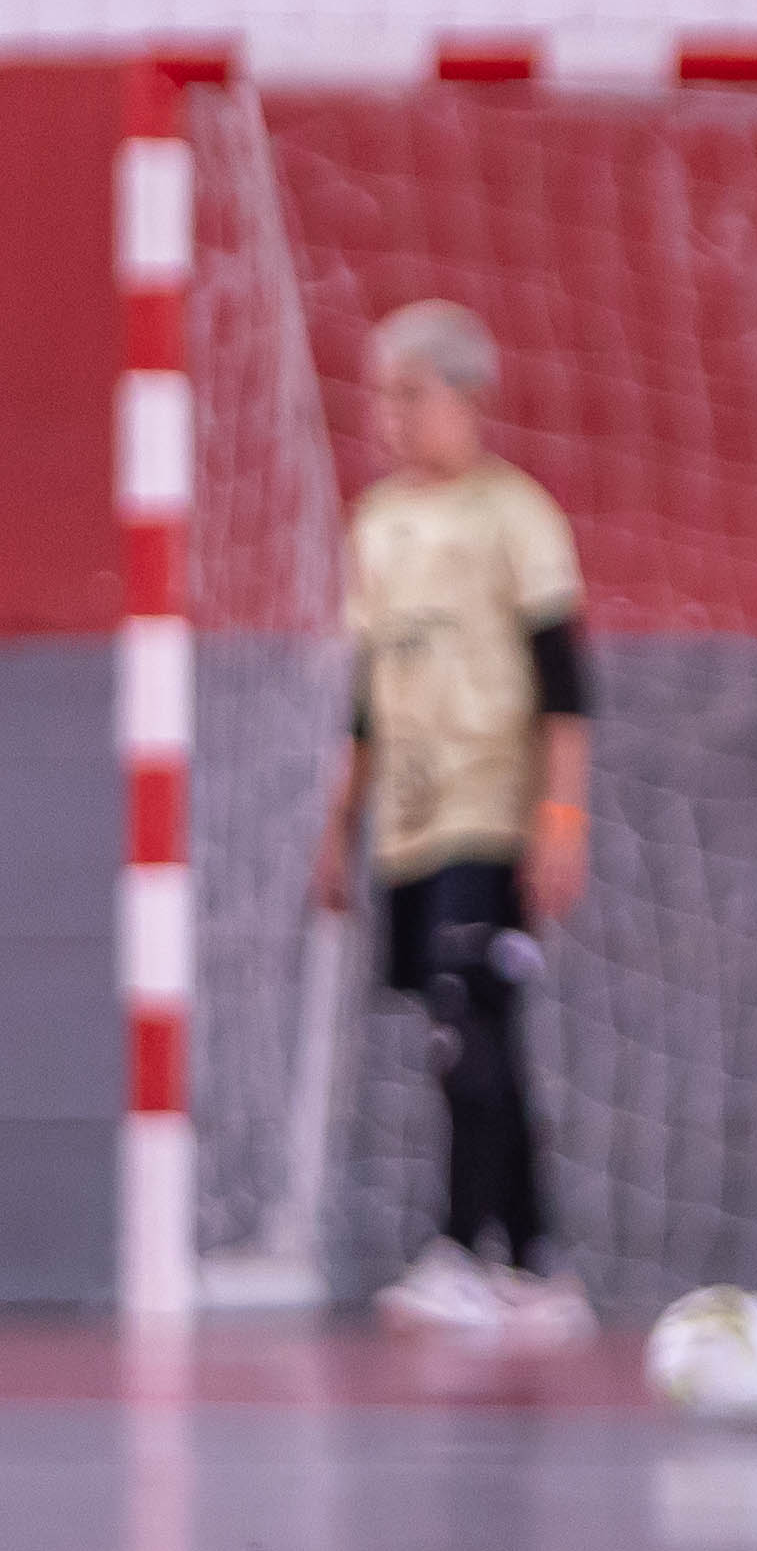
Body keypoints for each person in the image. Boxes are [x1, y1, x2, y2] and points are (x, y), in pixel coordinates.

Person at [312, 299, 598, 1346]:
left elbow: (565, 686)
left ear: (467, 396)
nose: (390, 415)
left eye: (411, 393)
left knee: (462, 1022)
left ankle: (459, 1250)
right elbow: (367, 694)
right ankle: (534, 1266)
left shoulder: (516, 516)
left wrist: (560, 817)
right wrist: (339, 820)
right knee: (482, 1034)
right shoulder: (375, 523)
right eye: (380, 395)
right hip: (409, 821)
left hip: (490, 811)